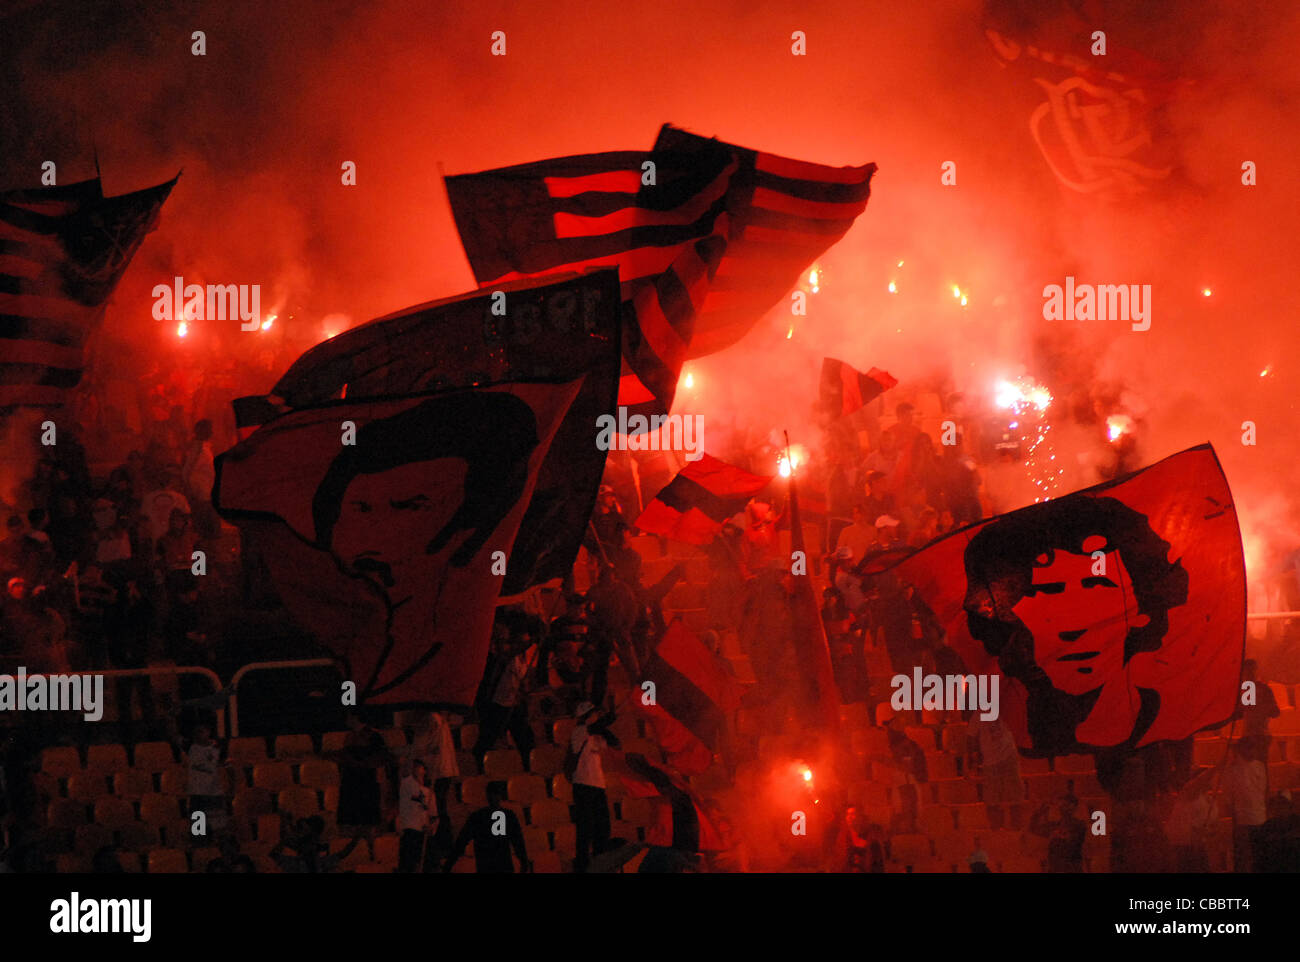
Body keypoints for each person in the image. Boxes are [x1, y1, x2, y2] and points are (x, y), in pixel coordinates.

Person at [311, 391, 541, 701]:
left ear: (458, 529)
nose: (377, 532)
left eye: (408, 507)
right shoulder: (325, 643)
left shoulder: (458, 653)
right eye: (362, 508)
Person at [961, 494, 1189, 757]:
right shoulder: (1021, 729)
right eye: (1048, 593)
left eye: (1096, 589)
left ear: (1141, 610)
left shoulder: (1166, 717)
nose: (1073, 626)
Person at [570, 700, 620, 872]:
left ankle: (600, 863)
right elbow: (595, 726)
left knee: (602, 828)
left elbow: (615, 743)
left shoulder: (597, 735)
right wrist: (609, 718)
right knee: (585, 829)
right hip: (583, 785)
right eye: (594, 714)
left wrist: (604, 729)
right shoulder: (579, 732)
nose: (596, 716)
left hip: (598, 786)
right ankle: (582, 866)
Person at [444, 781, 528, 873]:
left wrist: (449, 864)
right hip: (502, 865)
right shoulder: (508, 816)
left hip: (486, 865)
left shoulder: (478, 816)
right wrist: (524, 863)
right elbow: (518, 842)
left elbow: (461, 841)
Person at [334, 712, 391, 840]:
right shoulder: (350, 736)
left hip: (366, 783)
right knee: (350, 821)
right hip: (351, 782)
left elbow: (381, 758)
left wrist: (361, 764)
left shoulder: (374, 736)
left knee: (367, 821)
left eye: (349, 716)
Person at [966, 713, 1023, 828]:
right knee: (992, 801)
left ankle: (1015, 832)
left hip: (1009, 758)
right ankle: (996, 832)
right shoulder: (979, 714)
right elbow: (970, 736)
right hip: (990, 761)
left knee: (1015, 799)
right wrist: (972, 758)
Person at [1224, 741, 1268, 872]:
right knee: (1242, 855)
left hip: (1260, 816)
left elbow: (1263, 791)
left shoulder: (1260, 766)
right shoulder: (1232, 769)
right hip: (1242, 819)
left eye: (1253, 749)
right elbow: (1228, 795)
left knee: (1259, 854)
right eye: (1248, 749)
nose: (1252, 752)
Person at [397, 760, 433, 872]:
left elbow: (433, 815)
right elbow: (414, 796)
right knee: (408, 864)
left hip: (423, 832)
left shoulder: (429, 793)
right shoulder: (406, 785)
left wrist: (431, 826)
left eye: (419, 767)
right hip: (410, 832)